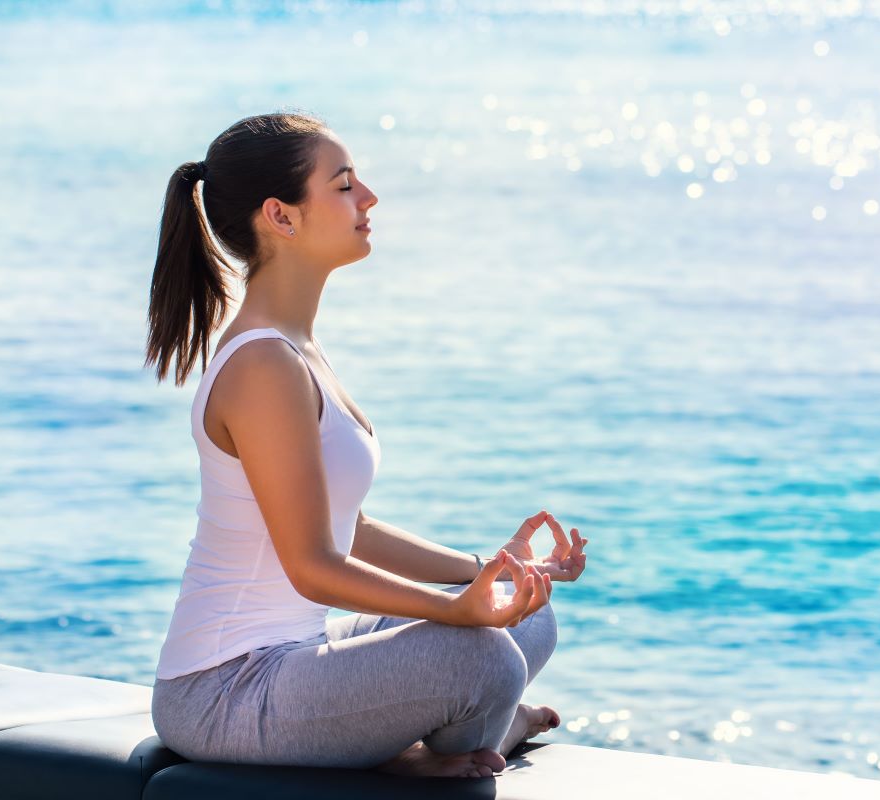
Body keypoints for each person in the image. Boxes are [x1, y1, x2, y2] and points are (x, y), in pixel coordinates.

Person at [143, 110, 588, 779]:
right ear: (281, 216)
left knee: (526, 621)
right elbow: (313, 565)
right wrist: (452, 610)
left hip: (296, 650)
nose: (369, 197)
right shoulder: (264, 367)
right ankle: (438, 743)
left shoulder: (297, 348)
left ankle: (465, 724)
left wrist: (484, 571)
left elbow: (347, 530)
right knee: (485, 654)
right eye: (344, 184)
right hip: (223, 690)